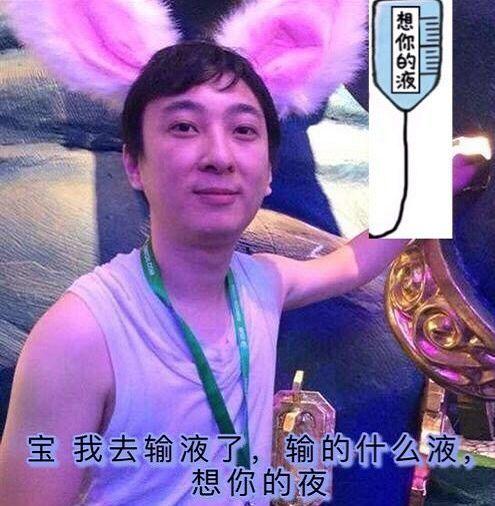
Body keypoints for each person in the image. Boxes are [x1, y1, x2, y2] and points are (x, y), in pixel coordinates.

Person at [0, 41, 483, 506]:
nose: (219, 156)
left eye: (244, 130)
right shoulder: (80, 335)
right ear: (133, 163)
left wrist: (430, 189)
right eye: (184, 127)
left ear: (268, 172)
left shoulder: (261, 285)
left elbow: (352, 263)